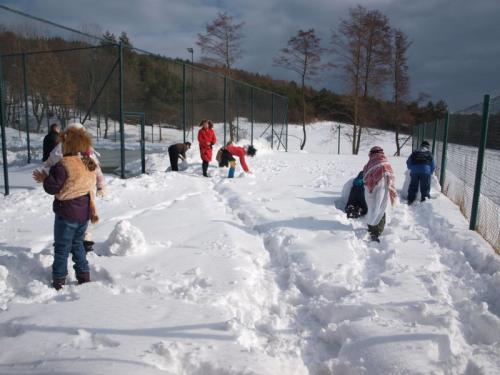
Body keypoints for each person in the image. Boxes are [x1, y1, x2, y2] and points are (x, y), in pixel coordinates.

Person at [36, 126, 99, 290]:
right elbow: (91, 180)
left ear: (67, 145)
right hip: (84, 212)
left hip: (67, 212)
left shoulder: (63, 165)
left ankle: (58, 280)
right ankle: (84, 275)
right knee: (77, 244)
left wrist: (44, 178)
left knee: (62, 247)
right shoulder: (88, 162)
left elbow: (53, 188)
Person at [33, 123, 106, 253]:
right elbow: (50, 165)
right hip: (77, 192)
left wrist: (45, 177)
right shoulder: (61, 151)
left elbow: (96, 170)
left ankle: (77, 241)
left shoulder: (83, 153)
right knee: (82, 216)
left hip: (75, 193)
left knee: (73, 218)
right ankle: (77, 242)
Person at [363, 146, 397, 242]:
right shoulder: (386, 163)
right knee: (381, 208)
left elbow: (364, 175)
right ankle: (377, 231)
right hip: (383, 189)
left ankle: (372, 229)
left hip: (371, 190)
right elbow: (391, 177)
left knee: (372, 208)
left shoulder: (369, 163)